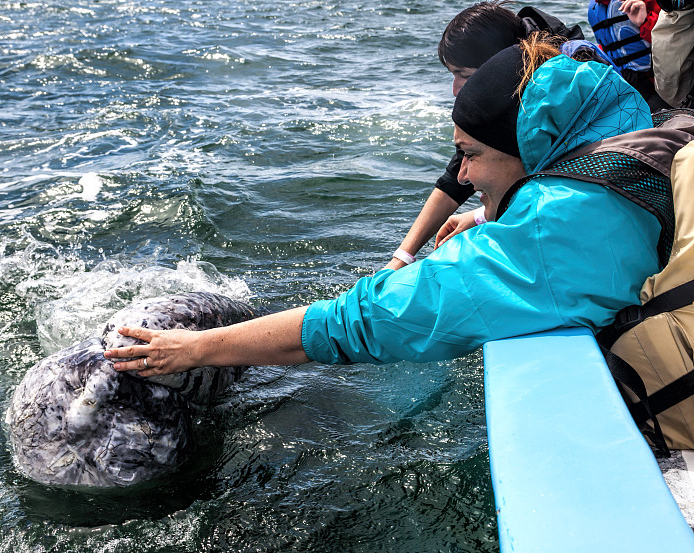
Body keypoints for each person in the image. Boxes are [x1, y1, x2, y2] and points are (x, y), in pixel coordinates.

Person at [104, 36, 662, 375]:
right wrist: (491, 213)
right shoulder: (624, 128)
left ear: (527, 149)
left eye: (470, 155)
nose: (462, 175)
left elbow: (369, 319)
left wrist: (197, 350)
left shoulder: (546, 238)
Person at [384, 1, 583, 270]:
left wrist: (482, 216)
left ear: (497, 63)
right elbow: (457, 176)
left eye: (463, 75)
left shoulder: (559, 89)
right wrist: (402, 258)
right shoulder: (519, 72)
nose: (455, 90)